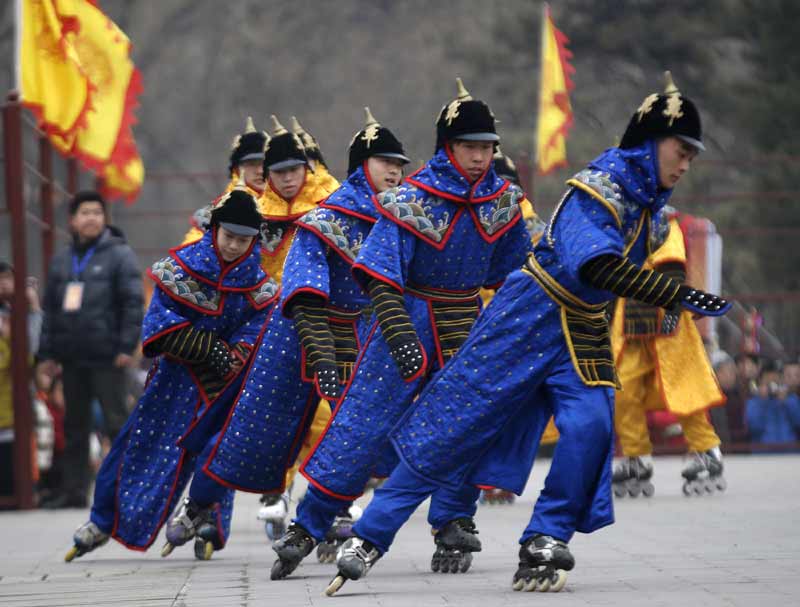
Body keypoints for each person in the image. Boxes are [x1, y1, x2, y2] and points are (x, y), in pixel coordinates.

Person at [324, 72, 732, 596]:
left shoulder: (650, 211)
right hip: (527, 315)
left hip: (583, 326)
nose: (685, 164)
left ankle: (545, 535)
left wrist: (671, 288)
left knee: (590, 426)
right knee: (456, 422)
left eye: (692, 156)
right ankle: (371, 535)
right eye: (681, 150)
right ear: (653, 144)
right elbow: (594, 265)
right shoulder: (599, 188)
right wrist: (667, 290)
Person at [273, 78, 533, 584]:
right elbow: (379, 273)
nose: (480, 158)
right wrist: (398, 333)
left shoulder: (503, 202)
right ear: (447, 147)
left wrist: (510, 333)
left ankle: (455, 517)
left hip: (466, 321)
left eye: (487, 148)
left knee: (464, 422)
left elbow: (515, 274)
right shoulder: (412, 199)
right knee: (362, 420)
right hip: (407, 318)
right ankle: (309, 523)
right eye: (469, 147)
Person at [203, 109, 410, 565]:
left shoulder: (405, 211)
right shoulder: (288, 215)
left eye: (400, 163)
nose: (395, 171)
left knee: (383, 433)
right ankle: (214, 504)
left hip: (381, 333)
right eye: (384, 162)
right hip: (287, 325)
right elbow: (230, 262)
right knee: (246, 419)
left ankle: (444, 519)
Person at [64, 185, 278, 562]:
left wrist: (236, 353)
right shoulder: (179, 268)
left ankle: (209, 523)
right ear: (213, 231)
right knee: (137, 444)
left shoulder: (258, 284)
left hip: (221, 381)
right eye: (228, 236)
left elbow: (257, 325)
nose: (233, 246)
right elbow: (159, 323)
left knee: (217, 451)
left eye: (244, 240)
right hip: (174, 378)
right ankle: (102, 520)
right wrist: (209, 347)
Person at [610, 207, 727, 498]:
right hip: (630, 325)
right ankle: (636, 457)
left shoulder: (662, 220)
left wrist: (673, 313)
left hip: (667, 323)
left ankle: (706, 451)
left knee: (683, 388)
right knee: (623, 390)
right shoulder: (618, 221)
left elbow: (673, 268)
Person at [37, 192, 143, 509]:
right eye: (85, 212)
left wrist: (126, 345)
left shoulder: (119, 255)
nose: (92, 218)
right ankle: (74, 492)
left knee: (117, 424)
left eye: (97, 212)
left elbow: (132, 304)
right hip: (71, 359)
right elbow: (50, 312)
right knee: (75, 428)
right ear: (73, 220)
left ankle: (131, 490)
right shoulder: (62, 260)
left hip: (109, 357)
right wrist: (48, 354)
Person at [184, 116, 269, 243]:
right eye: (251, 164)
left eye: (265, 163)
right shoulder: (214, 214)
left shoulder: (292, 210)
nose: (260, 171)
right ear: (236, 169)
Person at [0, 262, 43, 497]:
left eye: (7, 278)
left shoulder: (23, 312)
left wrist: (34, 307)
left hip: (17, 396)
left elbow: (34, 349)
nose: (3, 284)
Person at [745, 362, 800, 445]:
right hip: (764, 452)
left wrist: (786, 402)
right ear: (761, 381)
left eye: (775, 380)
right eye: (768, 380)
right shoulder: (753, 402)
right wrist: (763, 401)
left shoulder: (792, 399)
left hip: (789, 451)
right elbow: (754, 428)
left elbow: (797, 424)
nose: (772, 384)